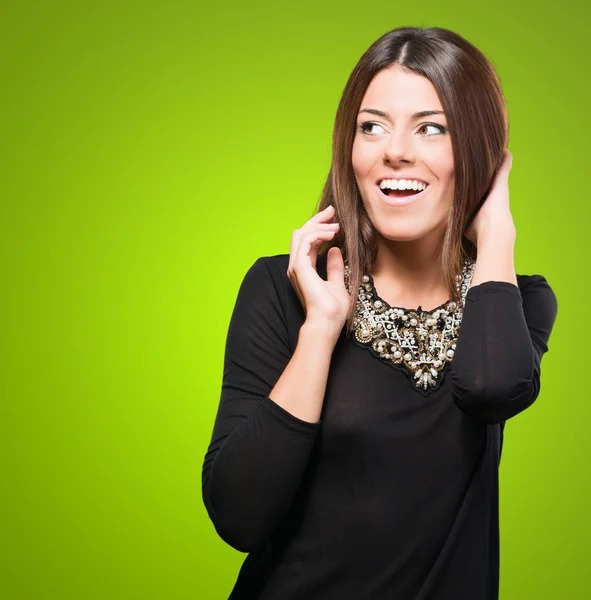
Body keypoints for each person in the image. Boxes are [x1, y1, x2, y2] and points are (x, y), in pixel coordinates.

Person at [201, 26, 558, 600]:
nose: (395, 150)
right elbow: (238, 516)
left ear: (480, 152)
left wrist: (496, 233)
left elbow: (492, 388)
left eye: (431, 128)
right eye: (372, 126)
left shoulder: (514, 301)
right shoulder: (281, 288)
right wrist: (320, 329)